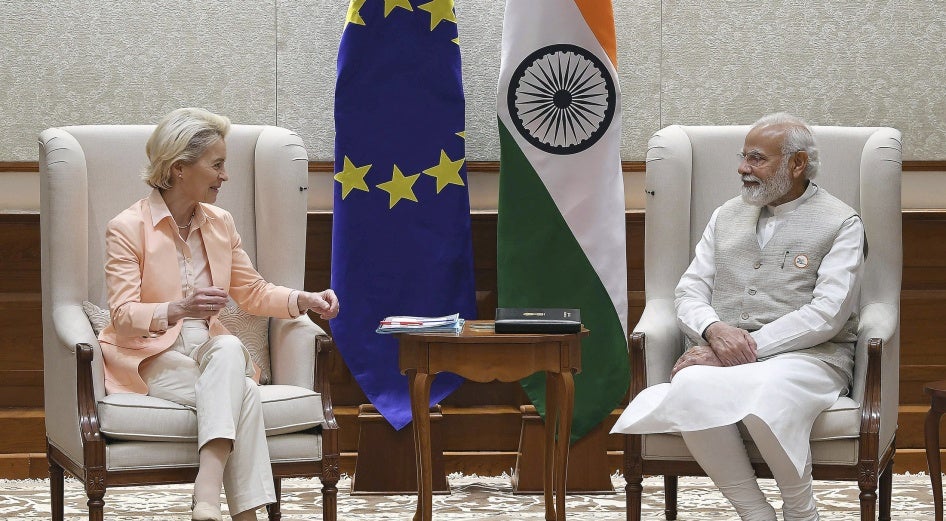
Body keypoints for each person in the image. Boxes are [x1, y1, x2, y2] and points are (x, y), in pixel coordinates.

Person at [611, 112, 865, 521]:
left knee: (767, 394)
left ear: (796, 164)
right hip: (722, 351)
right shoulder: (725, 215)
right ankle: (754, 512)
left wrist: (742, 347)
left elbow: (827, 314)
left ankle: (801, 511)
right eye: (743, 157)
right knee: (691, 383)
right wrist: (713, 330)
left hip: (811, 358)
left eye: (756, 159)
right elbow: (689, 290)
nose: (742, 169)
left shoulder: (841, 222)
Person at [97, 107, 339, 521]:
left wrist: (304, 299)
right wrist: (178, 309)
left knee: (227, 347)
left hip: (210, 347)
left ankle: (206, 494)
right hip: (148, 355)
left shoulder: (221, 223)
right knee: (241, 395)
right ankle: (236, 511)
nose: (225, 176)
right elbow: (120, 315)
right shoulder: (127, 227)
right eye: (217, 164)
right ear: (178, 169)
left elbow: (253, 291)